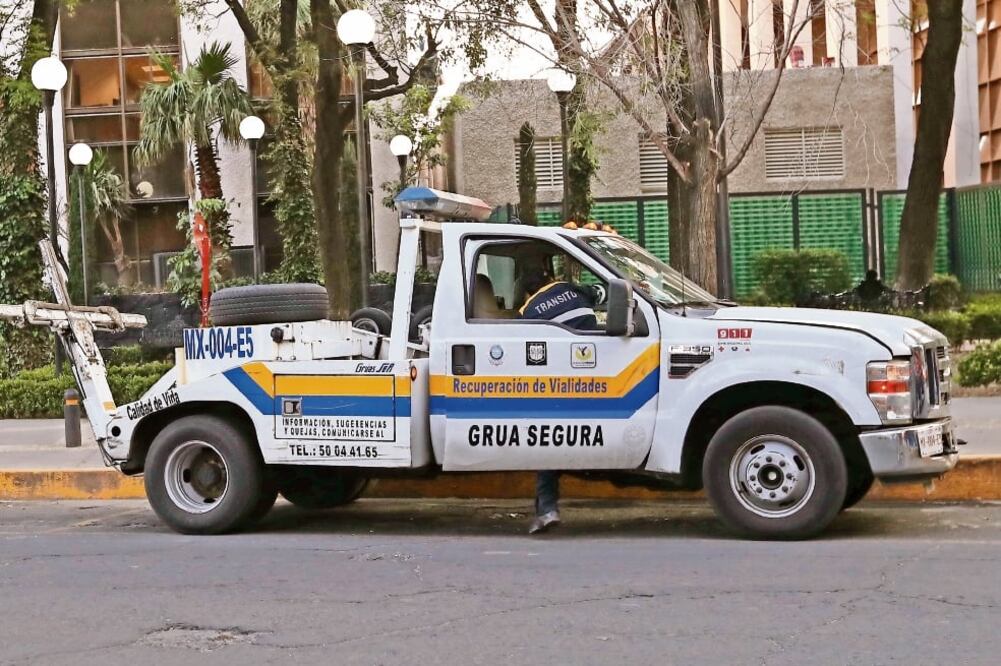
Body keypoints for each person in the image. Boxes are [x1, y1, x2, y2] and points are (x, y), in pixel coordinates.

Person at [518, 260, 598, 534]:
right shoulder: (573, 289)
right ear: (550, 276)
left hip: (559, 383)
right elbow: (604, 293)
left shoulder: (527, 311)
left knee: (548, 442)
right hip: (598, 376)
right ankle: (545, 509)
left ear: (526, 292)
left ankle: (547, 509)